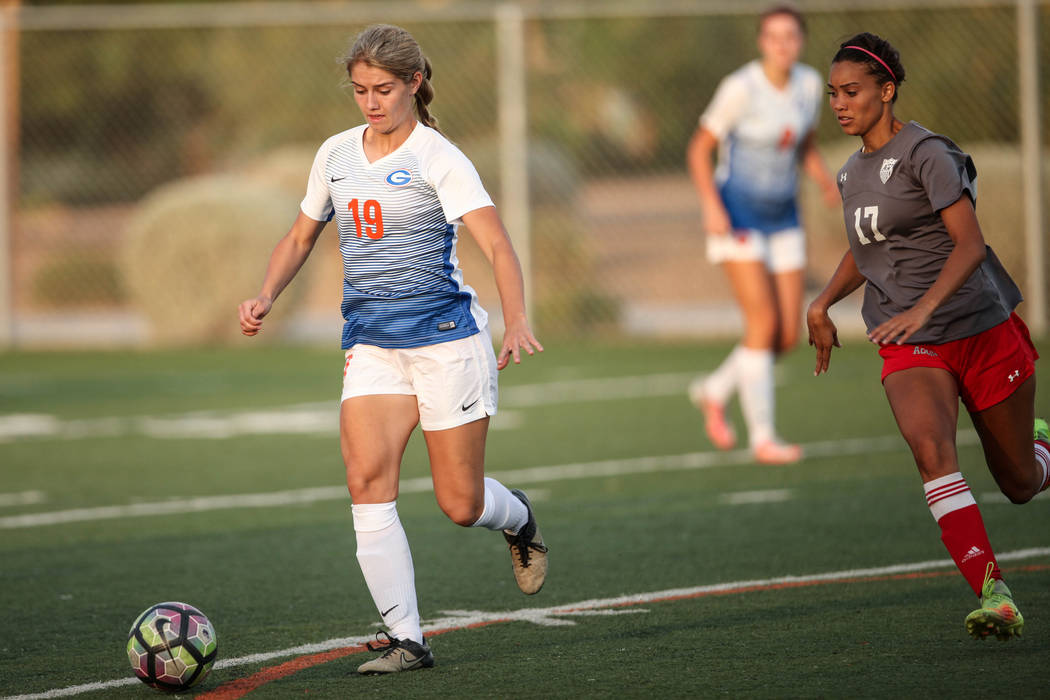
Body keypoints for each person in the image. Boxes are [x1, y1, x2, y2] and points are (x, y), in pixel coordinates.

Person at [238, 24, 548, 673]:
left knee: (460, 506)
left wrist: (516, 319)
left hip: (444, 343)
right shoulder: (335, 155)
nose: (371, 101)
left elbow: (495, 244)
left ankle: (516, 516)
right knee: (366, 483)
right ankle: (409, 638)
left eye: (383, 88)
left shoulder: (440, 157)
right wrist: (266, 293)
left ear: (413, 83)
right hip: (372, 344)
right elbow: (300, 237)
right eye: (359, 90)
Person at [808, 32, 1050, 640]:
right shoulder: (848, 173)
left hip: (980, 328)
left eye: (852, 91)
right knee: (931, 452)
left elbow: (969, 245)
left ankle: (1042, 447)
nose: (839, 103)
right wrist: (823, 302)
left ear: (886, 91)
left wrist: (927, 307)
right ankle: (993, 592)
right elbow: (867, 246)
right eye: (832, 93)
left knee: (1020, 483)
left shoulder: (929, 153)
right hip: (909, 343)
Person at [686, 4, 838, 465]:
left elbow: (804, 143)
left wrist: (823, 178)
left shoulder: (811, 85)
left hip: (784, 217)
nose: (782, 44)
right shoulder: (740, 88)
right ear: (761, 42)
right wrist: (711, 204)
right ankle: (764, 437)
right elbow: (699, 149)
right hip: (737, 217)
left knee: (787, 336)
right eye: (773, 36)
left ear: (801, 41)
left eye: (790, 36)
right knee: (761, 324)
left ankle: (715, 390)